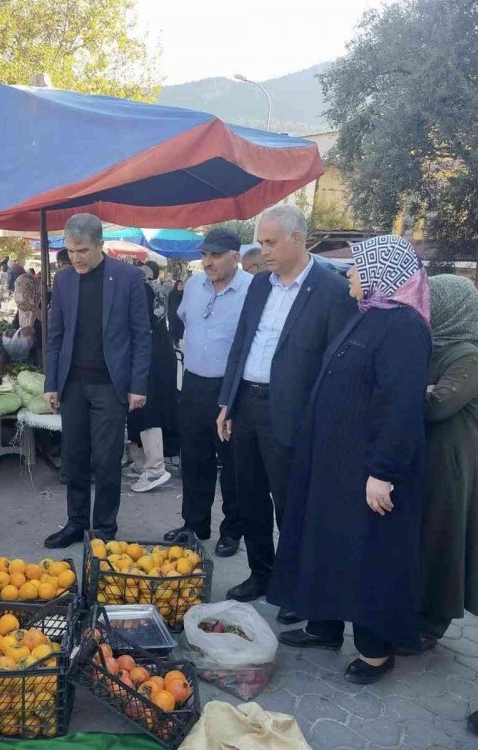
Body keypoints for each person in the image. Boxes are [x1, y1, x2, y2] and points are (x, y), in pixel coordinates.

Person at [270, 234, 432, 685]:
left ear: (382, 272)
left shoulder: (403, 326)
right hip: (335, 465)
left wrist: (382, 472)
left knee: (367, 558)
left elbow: (399, 406)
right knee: (327, 544)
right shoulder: (368, 314)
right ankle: (323, 627)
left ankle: (375, 652)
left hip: (368, 472)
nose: (350, 275)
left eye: (358, 267)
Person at [217, 206, 357, 605]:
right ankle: (261, 574)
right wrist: (227, 402)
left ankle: (295, 587)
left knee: (292, 506)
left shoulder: (332, 291)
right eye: (261, 243)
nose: (264, 251)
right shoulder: (260, 285)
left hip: (294, 415)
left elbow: (337, 366)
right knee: (249, 497)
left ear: (298, 239)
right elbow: (242, 344)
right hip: (247, 406)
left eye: (271, 242)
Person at [43, 213, 151, 547]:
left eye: (83, 251)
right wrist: (51, 383)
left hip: (110, 385)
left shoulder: (128, 277)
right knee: (73, 459)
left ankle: (104, 529)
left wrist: (138, 385)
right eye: (70, 251)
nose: (75, 258)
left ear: (100, 245)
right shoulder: (63, 280)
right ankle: (76, 523)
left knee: (106, 461)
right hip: (72, 384)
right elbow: (55, 335)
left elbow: (141, 335)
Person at [412, 275, 478, 651]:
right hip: (428, 457)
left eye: (432, 302)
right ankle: (412, 611)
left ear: (453, 308)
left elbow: (438, 405)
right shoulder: (430, 345)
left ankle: (432, 623)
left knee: (443, 539)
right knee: (423, 538)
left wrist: (413, 390)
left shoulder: (468, 354)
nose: (425, 308)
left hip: (453, 464)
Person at [161, 230, 251, 556]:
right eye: (204, 255)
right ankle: (194, 525)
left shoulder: (252, 289)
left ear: (235, 257)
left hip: (231, 388)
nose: (208, 261)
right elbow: (184, 321)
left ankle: (233, 530)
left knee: (231, 463)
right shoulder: (195, 285)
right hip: (194, 384)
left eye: (215, 255)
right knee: (194, 458)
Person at [127, 264, 178, 494]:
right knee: (140, 410)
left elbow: (140, 326)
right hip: (158, 353)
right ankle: (141, 463)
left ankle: (155, 468)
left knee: (147, 409)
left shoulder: (142, 291)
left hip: (150, 357)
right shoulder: (153, 287)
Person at [167, 279, 185, 345]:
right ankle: (172, 341)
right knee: (172, 328)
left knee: (179, 328)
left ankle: (177, 342)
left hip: (180, 315)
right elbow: (169, 303)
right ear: (176, 285)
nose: (180, 286)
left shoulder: (184, 294)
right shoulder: (172, 293)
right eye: (179, 285)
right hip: (172, 314)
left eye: (181, 285)